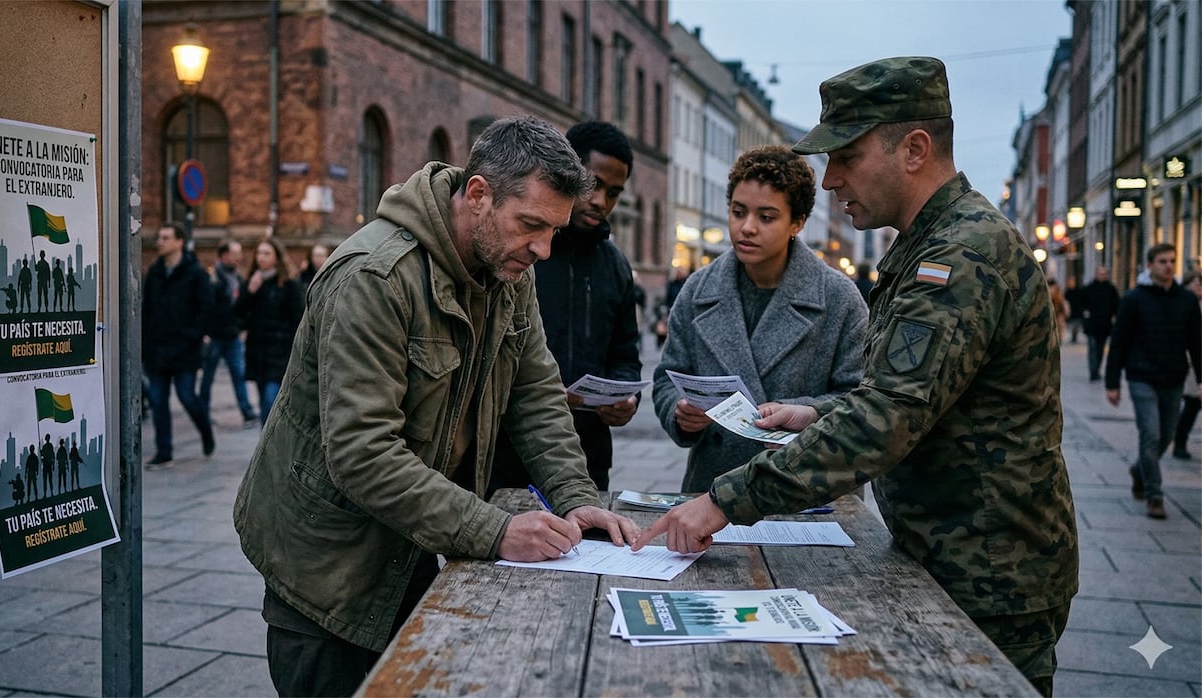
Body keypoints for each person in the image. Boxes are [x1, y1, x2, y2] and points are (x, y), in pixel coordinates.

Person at [632, 57, 1078, 696]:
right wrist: (817, 414)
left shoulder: (961, 254)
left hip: (989, 568)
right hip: (951, 551)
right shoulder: (927, 244)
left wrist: (724, 500)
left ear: (914, 150)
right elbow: (903, 395)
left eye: (846, 156)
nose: (831, 178)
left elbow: (885, 420)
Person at [233, 116, 639, 698]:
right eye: (531, 225)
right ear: (478, 195)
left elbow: (534, 393)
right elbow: (363, 453)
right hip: (327, 567)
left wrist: (577, 497)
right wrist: (496, 531)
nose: (544, 249)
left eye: (554, 230)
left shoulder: (508, 269)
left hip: (412, 541)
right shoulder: (374, 277)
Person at [652, 145, 868, 493]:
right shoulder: (698, 290)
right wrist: (679, 412)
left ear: (797, 222)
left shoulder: (838, 298)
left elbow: (862, 401)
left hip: (806, 492)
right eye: (738, 212)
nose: (747, 227)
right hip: (714, 489)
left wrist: (799, 412)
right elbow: (667, 378)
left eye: (766, 217)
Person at [490, 121, 642, 492]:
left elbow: (625, 355)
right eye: (593, 184)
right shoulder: (522, 251)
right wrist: (543, 392)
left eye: (614, 193)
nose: (601, 201)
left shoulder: (616, 266)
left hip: (587, 456)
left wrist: (626, 397)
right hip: (506, 454)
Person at [1105, 243, 1202, 519]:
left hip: (1174, 377)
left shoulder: (1186, 300)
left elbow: (1196, 342)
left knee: (1167, 435)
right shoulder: (1134, 298)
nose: (1168, 266)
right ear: (1150, 265)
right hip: (1141, 376)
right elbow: (1119, 341)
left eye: (1172, 261)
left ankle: (1139, 470)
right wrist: (1112, 383)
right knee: (1151, 433)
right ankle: (1154, 495)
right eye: (1162, 261)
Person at [142, 222, 215, 467]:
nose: (159, 242)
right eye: (159, 237)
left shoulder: (195, 273)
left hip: (185, 349)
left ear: (179, 242)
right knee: (158, 401)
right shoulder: (155, 272)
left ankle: (205, 430)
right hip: (157, 348)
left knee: (187, 397)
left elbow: (206, 308)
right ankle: (164, 452)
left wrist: (192, 336)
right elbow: (146, 308)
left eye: (165, 238)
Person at [235, 238, 304, 425]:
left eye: (266, 253)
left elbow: (298, 319)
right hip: (258, 352)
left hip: (280, 352)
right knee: (264, 400)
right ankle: (266, 440)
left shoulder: (289, 284)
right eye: (259, 253)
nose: (261, 258)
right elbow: (238, 313)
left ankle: (268, 440)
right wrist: (249, 291)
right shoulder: (254, 281)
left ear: (277, 257)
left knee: (269, 401)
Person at [199, 239, 259, 425]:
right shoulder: (212, 278)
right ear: (224, 255)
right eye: (235, 254)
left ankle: (246, 411)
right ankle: (203, 412)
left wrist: (241, 327)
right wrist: (205, 332)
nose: (239, 258)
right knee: (208, 377)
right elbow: (205, 307)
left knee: (239, 374)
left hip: (232, 335)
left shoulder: (237, 278)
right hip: (215, 335)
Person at [1174, 269, 1202, 460]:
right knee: (1192, 403)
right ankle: (1179, 441)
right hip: (1189, 362)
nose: (1199, 287)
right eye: (1196, 283)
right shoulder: (1182, 304)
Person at [1080, 265, 1119, 381]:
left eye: (1104, 274)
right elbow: (1082, 304)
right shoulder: (1089, 288)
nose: (1102, 276)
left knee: (1100, 349)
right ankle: (1093, 371)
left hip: (1105, 325)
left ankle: (1096, 370)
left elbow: (1116, 305)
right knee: (1092, 348)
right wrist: (1085, 315)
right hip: (1091, 324)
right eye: (1100, 273)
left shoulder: (1111, 289)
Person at [1063, 276, 1083, 344]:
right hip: (1070, 312)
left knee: (1076, 325)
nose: (1071, 283)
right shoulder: (1067, 292)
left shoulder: (1079, 291)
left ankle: (1075, 337)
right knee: (1072, 326)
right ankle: (1073, 337)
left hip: (1077, 311)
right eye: (1070, 282)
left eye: (1072, 282)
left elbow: (1081, 301)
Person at [1047, 278, 1066, 345]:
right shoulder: (1048, 292)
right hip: (1051, 314)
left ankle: (1058, 341)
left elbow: (1061, 304)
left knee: (1058, 328)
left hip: (1057, 314)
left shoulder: (1058, 293)